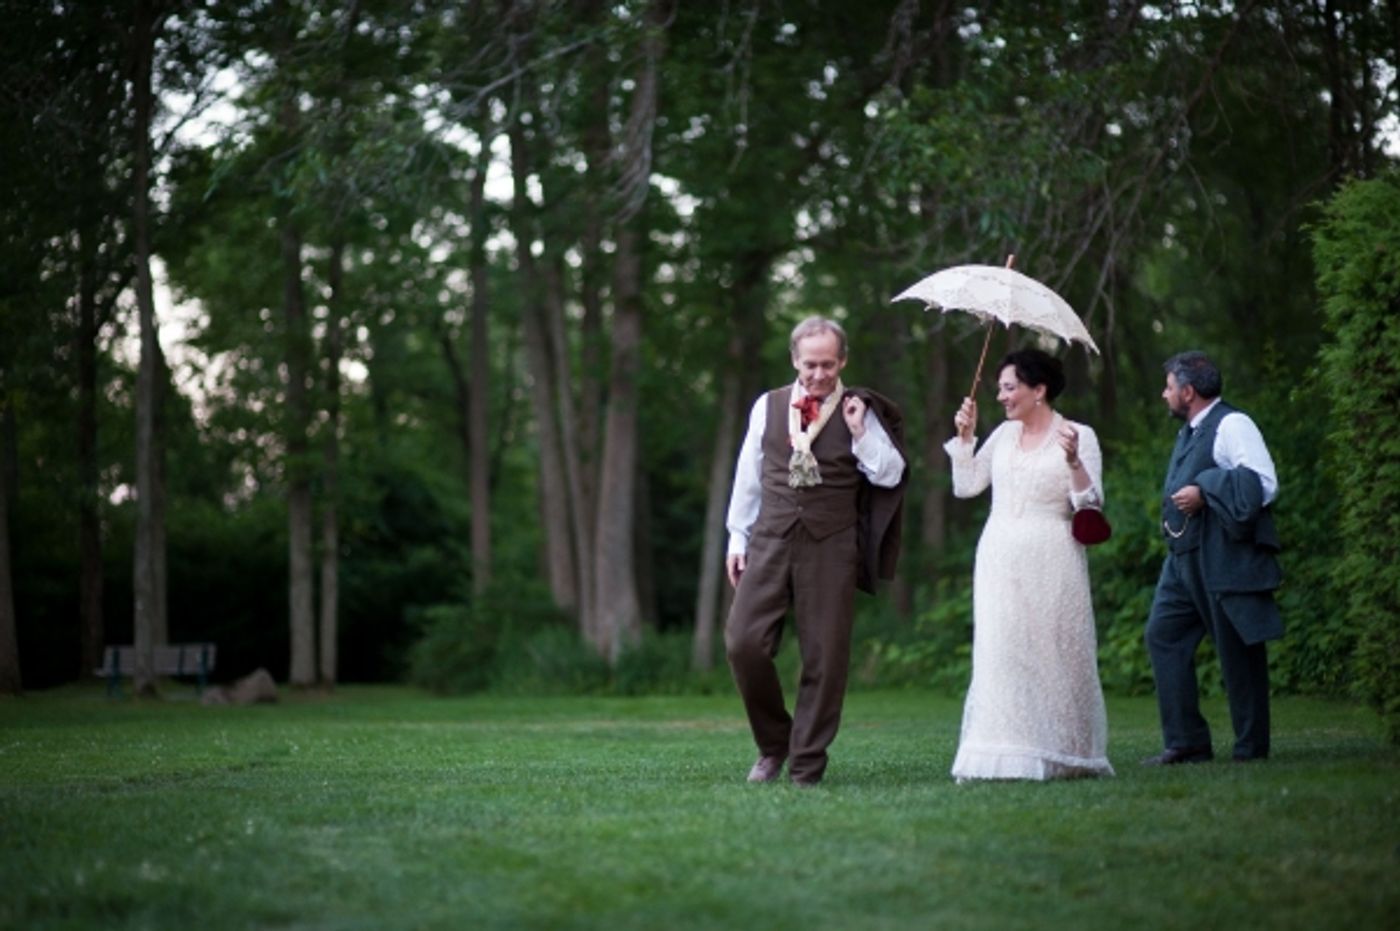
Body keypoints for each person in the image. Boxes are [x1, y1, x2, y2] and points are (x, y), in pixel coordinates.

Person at [724, 316, 908, 787]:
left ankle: (806, 764)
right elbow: (750, 474)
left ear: (842, 360)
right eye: (811, 364)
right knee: (743, 642)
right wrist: (737, 538)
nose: (820, 374)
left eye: (829, 364)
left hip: (831, 544)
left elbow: (890, 475)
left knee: (825, 658)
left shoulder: (857, 408)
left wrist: (861, 431)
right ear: (794, 360)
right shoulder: (768, 406)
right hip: (770, 537)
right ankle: (773, 745)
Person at [943, 347, 1114, 782]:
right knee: (1002, 650)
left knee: (1055, 651)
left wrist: (1074, 460)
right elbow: (966, 487)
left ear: (1038, 390)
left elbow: (1090, 505)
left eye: (1009, 387)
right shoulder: (1000, 435)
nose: (1001, 396)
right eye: (999, 387)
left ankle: (1067, 752)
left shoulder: (1080, 435)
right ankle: (1003, 752)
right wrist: (965, 439)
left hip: (1053, 552)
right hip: (999, 553)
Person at [1143, 351, 1282, 765]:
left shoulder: (1233, 423)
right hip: (1182, 560)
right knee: (1163, 634)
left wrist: (1206, 489)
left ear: (1188, 391)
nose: (1164, 394)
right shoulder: (1189, 431)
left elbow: (1264, 483)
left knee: (1238, 650)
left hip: (1222, 557)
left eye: (1169, 387)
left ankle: (1250, 747)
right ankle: (1187, 741)